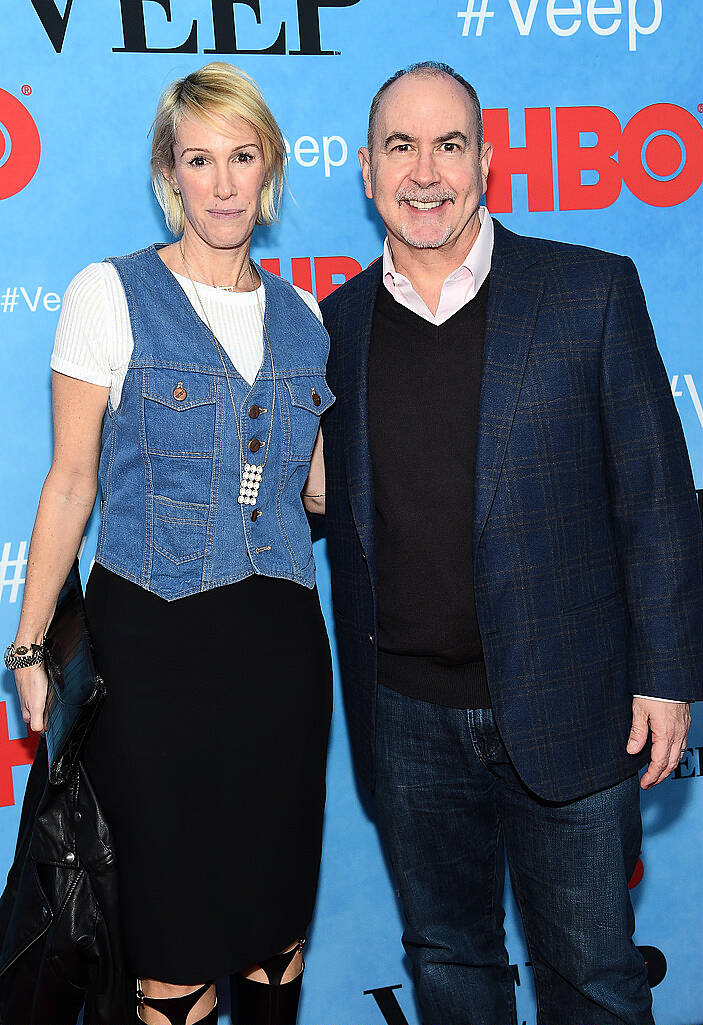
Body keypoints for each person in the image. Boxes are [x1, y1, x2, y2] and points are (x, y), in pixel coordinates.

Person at [320, 61, 703, 1025]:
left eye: (448, 144)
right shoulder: (334, 325)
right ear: (366, 171)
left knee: (595, 980)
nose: (424, 171)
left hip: (572, 703)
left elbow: (657, 498)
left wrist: (666, 674)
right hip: (405, 717)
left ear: (486, 163)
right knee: (449, 964)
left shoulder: (587, 292)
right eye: (399, 147)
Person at [5, 61, 334, 1025]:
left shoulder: (306, 318)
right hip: (149, 659)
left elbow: (311, 488)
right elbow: (69, 484)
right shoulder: (107, 294)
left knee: (275, 940)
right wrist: (30, 645)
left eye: (242, 157)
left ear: (269, 167)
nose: (224, 182)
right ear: (170, 172)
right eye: (201, 160)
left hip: (279, 656)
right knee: (173, 950)